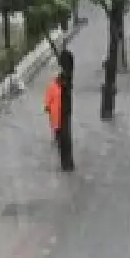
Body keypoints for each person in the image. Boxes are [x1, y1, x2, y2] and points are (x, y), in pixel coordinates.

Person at [56, 44, 76, 173]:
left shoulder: (65, 78)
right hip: (65, 109)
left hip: (63, 109)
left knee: (64, 135)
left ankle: (67, 162)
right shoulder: (67, 76)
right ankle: (67, 161)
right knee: (65, 133)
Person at [44, 69, 64, 160]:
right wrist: (47, 106)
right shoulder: (52, 86)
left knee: (61, 125)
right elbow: (48, 97)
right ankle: (57, 138)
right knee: (56, 126)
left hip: (62, 110)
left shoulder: (63, 86)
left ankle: (60, 138)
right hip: (54, 110)